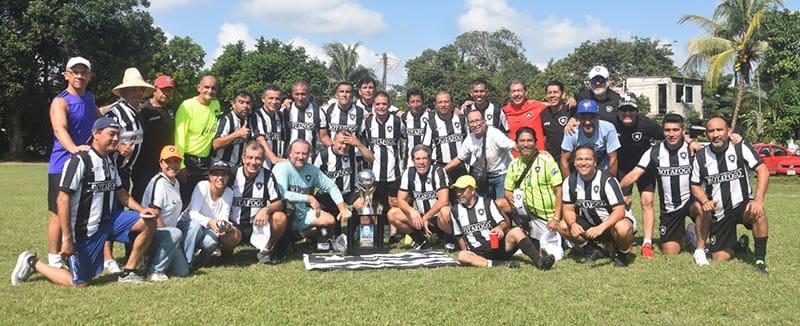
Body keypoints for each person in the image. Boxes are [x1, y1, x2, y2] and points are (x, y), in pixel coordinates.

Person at [12, 117, 158, 286]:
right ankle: (32, 263)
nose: (116, 139)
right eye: (112, 134)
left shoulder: (109, 161)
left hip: (109, 221)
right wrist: (67, 238)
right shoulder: (79, 161)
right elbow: (62, 199)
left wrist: (142, 210)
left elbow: (122, 194)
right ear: (96, 134)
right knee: (80, 282)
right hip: (84, 231)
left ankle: (128, 272)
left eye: (118, 135)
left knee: (148, 221)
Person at [619, 114, 708, 263]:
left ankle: (700, 249)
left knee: (702, 207)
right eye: (667, 130)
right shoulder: (654, 152)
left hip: (691, 201)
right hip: (670, 208)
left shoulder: (693, 149)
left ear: (683, 131)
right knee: (670, 251)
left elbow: (719, 148)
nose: (671, 134)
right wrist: (614, 189)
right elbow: (635, 174)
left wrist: (735, 137)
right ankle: (689, 234)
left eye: (675, 130)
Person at [690, 117, 771, 275]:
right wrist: (705, 200)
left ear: (728, 131)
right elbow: (694, 184)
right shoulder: (701, 156)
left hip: (742, 204)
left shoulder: (740, 147)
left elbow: (763, 170)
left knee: (758, 212)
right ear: (706, 134)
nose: (715, 134)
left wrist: (758, 200)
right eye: (711, 131)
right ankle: (739, 245)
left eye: (719, 130)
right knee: (720, 257)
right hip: (720, 210)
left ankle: (760, 259)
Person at [46, 56, 99, 269]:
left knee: (78, 213)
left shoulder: (90, 98)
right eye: (75, 71)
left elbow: (99, 115)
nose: (79, 75)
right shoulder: (60, 101)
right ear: (66, 75)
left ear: (89, 76)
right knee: (59, 214)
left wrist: (123, 102)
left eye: (83, 72)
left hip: (83, 164)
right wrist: (74, 149)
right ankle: (54, 258)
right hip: (62, 164)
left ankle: (69, 254)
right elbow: (60, 130)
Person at [451, 175, 555, 269]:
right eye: (457, 190)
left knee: (517, 231)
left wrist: (499, 228)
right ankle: (499, 264)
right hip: (477, 252)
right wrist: (467, 253)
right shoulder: (455, 211)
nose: (459, 193)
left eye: (462, 190)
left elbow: (503, 222)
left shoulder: (488, 203)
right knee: (462, 255)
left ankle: (539, 261)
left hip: (496, 246)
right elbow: (459, 235)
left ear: (473, 190)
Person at [272, 139, 352, 259]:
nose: (301, 157)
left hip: (303, 214)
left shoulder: (312, 170)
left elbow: (331, 187)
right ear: (290, 153)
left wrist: (342, 208)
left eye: (304, 154)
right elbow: (282, 194)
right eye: (297, 153)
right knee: (287, 209)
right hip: (283, 215)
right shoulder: (281, 168)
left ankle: (307, 240)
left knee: (329, 220)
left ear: (309, 155)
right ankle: (276, 247)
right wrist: (309, 198)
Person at [561, 145, 635, 267]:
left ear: (595, 162)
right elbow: (568, 209)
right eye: (579, 159)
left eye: (588, 159)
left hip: (613, 224)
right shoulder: (569, 181)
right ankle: (593, 250)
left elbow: (619, 211)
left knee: (623, 228)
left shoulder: (607, 180)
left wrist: (601, 228)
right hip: (591, 225)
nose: (583, 163)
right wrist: (573, 224)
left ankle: (621, 254)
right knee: (564, 225)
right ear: (574, 163)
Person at [613, 94, 663, 258]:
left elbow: (668, 137)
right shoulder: (611, 125)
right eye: (623, 110)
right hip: (622, 168)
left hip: (645, 169)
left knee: (647, 202)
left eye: (631, 110)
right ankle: (627, 235)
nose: (627, 113)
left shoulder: (647, 125)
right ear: (618, 111)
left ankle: (647, 243)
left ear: (637, 111)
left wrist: (691, 142)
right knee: (625, 202)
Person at [503, 127, 563, 263]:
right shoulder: (513, 164)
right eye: (522, 141)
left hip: (546, 216)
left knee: (553, 252)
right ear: (516, 144)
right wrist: (511, 199)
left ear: (536, 142)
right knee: (500, 204)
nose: (525, 144)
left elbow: (559, 190)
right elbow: (507, 190)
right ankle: (514, 236)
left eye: (529, 140)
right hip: (526, 214)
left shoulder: (547, 161)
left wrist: (556, 218)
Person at [229, 141, 287, 264]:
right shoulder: (232, 174)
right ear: (243, 158)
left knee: (280, 217)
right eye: (250, 158)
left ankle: (266, 250)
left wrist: (266, 209)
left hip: (258, 226)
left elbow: (279, 203)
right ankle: (225, 251)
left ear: (262, 160)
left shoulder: (267, 175)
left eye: (258, 159)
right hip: (235, 225)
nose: (253, 162)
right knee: (227, 238)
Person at [387, 145, 452, 250]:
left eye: (424, 158)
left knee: (445, 211)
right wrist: (411, 210)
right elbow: (400, 200)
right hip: (421, 218)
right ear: (413, 161)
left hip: (437, 218)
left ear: (430, 160)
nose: (421, 162)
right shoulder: (409, 172)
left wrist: (427, 217)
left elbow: (443, 200)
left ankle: (449, 241)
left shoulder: (438, 171)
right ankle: (420, 240)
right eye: (418, 159)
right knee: (392, 214)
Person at [140, 145, 190, 280]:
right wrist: (171, 237)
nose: (173, 165)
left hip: (170, 236)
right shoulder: (159, 183)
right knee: (176, 233)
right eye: (168, 162)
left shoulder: (175, 182)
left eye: (176, 161)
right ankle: (155, 269)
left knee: (182, 272)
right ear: (161, 163)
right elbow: (154, 216)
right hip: (152, 234)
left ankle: (156, 259)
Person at [445, 110, 515, 201]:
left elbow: (514, 146)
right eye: (471, 122)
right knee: (480, 205)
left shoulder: (495, 134)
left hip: (501, 175)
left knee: (502, 206)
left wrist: (534, 153)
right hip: (482, 178)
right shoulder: (469, 139)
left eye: (477, 120)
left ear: (484, 121)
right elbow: (459, 158)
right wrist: (442, 171)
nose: (475, 124)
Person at [104, 67, 155, 192]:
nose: (137, 93)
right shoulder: (115, 113)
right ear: (123, 92)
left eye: (140, 90)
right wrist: (118, 147)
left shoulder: (137, 111)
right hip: (112, 170)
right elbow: (101, 139)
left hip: (125, 171)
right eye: (132, 90)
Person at [182, 161, 240, 267]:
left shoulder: (229, 193)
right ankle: (187, 262)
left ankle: (202, 259)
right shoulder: (202, 186)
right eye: (216, 174)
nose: (220, 178)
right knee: (195, 227)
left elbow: (224, 217)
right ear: (210, 176)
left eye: (224, 174)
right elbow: (193, 214)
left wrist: (225, 225)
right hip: (188, 225)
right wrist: (210, 221)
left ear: (228, 177)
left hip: (209, 228)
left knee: (211, 242)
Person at [174, 75, 222, 205]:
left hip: (206, 162)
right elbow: (179, 136)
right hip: (189, 161)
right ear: (198, 88)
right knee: (185, 200)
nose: (210, 91)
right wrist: (181, 165)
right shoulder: (187, 106)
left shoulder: (216, 105)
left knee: (205, 201)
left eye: (213, 88)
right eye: (206, 87)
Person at [132, 74, 176, 203]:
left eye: (169, 90)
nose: (166, 93)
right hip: (144, 166)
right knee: (142, 200)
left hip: (166, 164)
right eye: (163, 89)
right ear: (155, 89)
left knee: (161, 201)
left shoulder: (170, 110)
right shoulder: (143, 110)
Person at [314, 130, 374, 223]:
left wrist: (358, 144)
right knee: (324, 219)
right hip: (328, 194)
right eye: (341, 143)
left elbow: (371, 158)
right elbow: (312, 177)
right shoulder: (323, 156)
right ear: (333, 141)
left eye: (347, 144)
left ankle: (365, 237)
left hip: (350, 191)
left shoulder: (354, 152)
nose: (344, 147)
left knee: (365, 211)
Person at [560, 99, 620, 178]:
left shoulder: (608, 129)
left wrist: (610, 182)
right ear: (578, 118)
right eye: (583, 118)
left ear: (597, 117)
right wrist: (569, 185)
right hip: (580, 172)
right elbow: (564, 160)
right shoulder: (572, 132)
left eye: (591, 118)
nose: (587, 122)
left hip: (603, 172)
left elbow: (613, 159)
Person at [364, 91, 404, 210]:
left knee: (393, 203)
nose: (381, 107)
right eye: (378, 104)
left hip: (394, 172)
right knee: (374, 203)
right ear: (374, 105)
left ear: (389, 105)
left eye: (384, 104)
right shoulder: (368, 122)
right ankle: (376, 228)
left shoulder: (397, 121)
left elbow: (409, 135)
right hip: (374, 172)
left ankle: (391, 228)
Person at [423, 90, 468, 182]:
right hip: (440, 167)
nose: (443, 105)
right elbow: (426, 149)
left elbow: (470, 141)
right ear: (436, 104)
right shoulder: (431, 123)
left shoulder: (462, 119)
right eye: (440, 102)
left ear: (451, 103)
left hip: (461, 167)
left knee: (463, 196)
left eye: (446, 102)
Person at [283, 80, 331, 154]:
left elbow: (324, 137)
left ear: (309, 94)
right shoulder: (285, 110)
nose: (300, 97)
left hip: (309, 157)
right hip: (289, 156)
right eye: (297, 94)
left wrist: (335, 149)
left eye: (303, 94)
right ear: (292, 94)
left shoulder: (318, 111)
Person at [211, 88, 254, 168]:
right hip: (222, 166)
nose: (245, 106)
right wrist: (237, 134)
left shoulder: (250, 120)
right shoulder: (227, 119)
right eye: (241, 102)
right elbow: (215, 144)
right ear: (233, 104)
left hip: (240, 167)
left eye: (248, 103)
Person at [502, 79, 546, 150]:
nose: (516, 94)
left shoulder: (537, 106)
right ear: (510, 94)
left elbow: (557, 106)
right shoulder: (504, 111)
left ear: (526, 93)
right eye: (513, 91)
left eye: (519, 90)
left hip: (537, 156)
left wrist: (570, 102)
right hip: (516, 157)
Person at [252, 84, 286, 166]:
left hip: (278, 163)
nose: (274, 102)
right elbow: (260, 139)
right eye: (271, 98)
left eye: (277, 99)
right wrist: (273, 157)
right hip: (261, 164)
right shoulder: (256, 115)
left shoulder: (281, 115)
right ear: (263, 99)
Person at [539, 80, 571, 163]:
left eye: (555, 92)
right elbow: (544, 137)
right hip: (551, 160)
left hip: (570, 159)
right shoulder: (543, 114)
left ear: (563, 94)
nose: (552, 95)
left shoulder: (570, 111)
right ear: (546, 96)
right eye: (549, 93)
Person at [400, 88, 428, 168]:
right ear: (407, 104)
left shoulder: (430, 117)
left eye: (418, 101)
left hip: (427, 163)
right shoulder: (404, 118)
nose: (415, 105)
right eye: (412, 102)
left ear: (423, 102)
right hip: (410, 163)